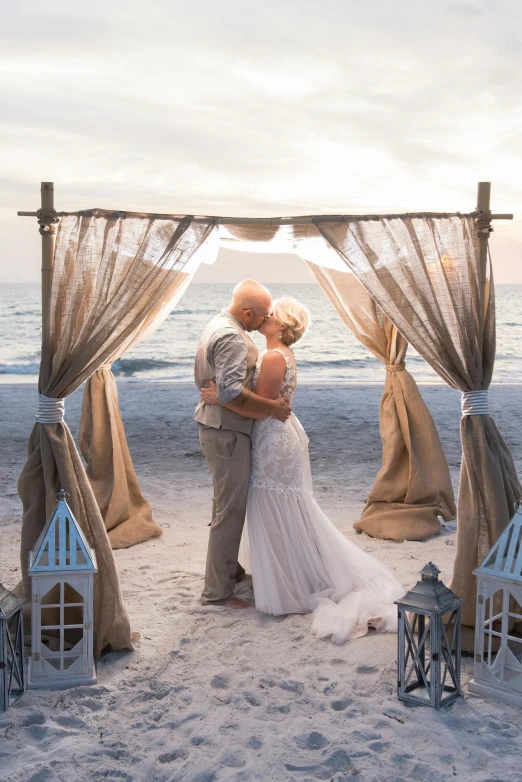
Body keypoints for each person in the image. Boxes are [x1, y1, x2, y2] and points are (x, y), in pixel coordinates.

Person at [200, 296, 404, 643]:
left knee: (275, 507)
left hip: (272, 441)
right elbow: (267, 403)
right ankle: (285, 573)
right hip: (275, 437)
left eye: (272, 314)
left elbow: (262, 409)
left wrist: (219, 397)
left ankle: (290, 581)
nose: (266, 316)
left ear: (280, 325)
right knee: (281, 508)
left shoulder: (274, 356)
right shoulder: (276, 355)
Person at [194, 280, 292, 610]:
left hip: (217, 428)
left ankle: (229, 571)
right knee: (229, 511)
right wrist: (271, 407)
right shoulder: (234, 337)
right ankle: (218, 594)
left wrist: (218, 396)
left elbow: (220, 388)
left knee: (224, 505)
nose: (264, 320)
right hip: (227, 434)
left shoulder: (216, 323)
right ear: (247, 312)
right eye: (262, 315)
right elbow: (230, 391)